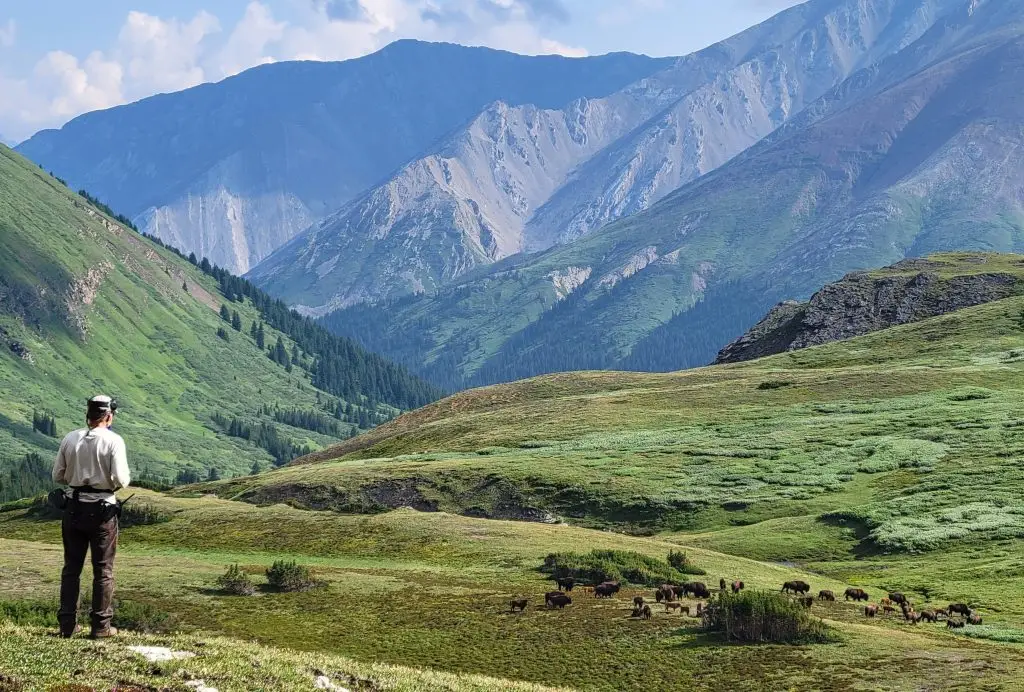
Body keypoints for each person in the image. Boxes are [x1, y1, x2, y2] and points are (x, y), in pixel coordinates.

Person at [51, 395, 130, 639]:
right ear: (108, 416)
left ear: (89, 415)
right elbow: (122, 479)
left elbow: (58, 475)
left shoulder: (70, 438)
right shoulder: (114, 441)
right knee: (103, 569)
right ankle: (100, 626)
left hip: (73, 507)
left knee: (71, 568)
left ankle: (67, 625)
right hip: (102, 510)